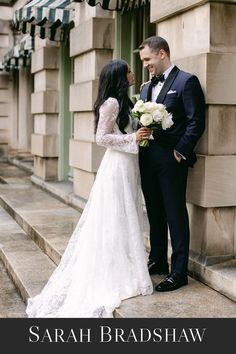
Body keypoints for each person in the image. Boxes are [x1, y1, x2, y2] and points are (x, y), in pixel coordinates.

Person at [26, 59, 153, 318]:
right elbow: (101, 138)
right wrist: (133, 137)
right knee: (116, 217)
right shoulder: (112, 103)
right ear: (119, 76)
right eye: (128, 70)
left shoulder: (126, 101)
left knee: (125, 217)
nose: (132, 73)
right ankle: (114, 271)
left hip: (129, 165)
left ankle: (125, 264)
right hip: (116, 167)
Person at [138, 36, 205, 292]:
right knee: (154, 211)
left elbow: (196, 121)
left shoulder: (187, 82)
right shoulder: (145, 87)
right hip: (148, 158)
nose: (145, 64)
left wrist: (180, 151)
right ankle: (157, 259)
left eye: (148, 59)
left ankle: (179, 272)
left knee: (175, 213)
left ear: (162, 53)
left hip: (171, 159)